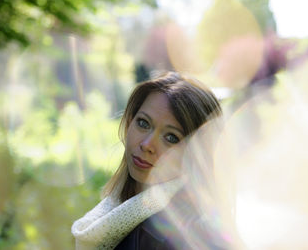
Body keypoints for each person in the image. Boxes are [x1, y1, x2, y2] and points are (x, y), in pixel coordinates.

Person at [72, 71, 234, 249]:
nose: (147, 144)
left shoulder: (191, 234)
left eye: (171, 137)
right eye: (143, 123)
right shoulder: (116, 209)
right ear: (129, 122)